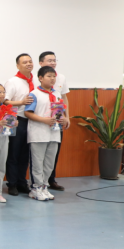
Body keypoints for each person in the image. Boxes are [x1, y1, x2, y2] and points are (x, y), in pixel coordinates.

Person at [24, 66, 67, 201]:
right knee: (37, 163)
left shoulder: (57, 94)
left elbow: (59, 111)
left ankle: (44, 186)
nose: (52, 79)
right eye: (49, 76)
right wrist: (44, 120)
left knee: (49, 163)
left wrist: (63, 118)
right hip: (38, 133)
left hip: (54, 133)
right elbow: (27, 113)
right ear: (41, 78)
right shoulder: (34, 94)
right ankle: (35, 188)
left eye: (54, 76)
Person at [37, 51, 70, 191]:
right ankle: (37, 183)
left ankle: (51, 180)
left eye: (54, 60)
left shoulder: (60, 78)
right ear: (41, 63)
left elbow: (64, 98)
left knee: (53, 153)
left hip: (57, 120)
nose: (53, 63)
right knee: (38, 155)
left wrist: (67, 117)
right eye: (49, 60)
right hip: (41, 121)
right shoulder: (36, 78)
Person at [4, 53, 35, 196]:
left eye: (30, 61)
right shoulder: (13, 81)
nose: (28, 64)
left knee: (25, 154)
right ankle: (12, 183)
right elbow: (5, 101)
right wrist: (21, 102)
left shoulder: (35, 81)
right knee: (13, 153)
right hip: (16, 120)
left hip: (31, 121)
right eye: (24, 62)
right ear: (18, 65)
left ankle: (22, 182)